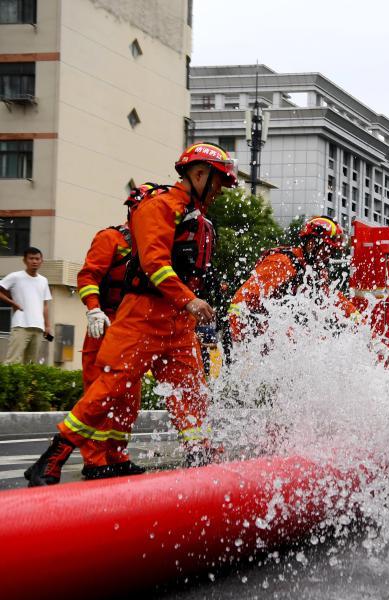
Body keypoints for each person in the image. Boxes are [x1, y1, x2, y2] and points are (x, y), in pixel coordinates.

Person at [23, 143, 237, 486]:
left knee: (191, 391)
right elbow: (154, 264)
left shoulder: (197, 220)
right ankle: (53, 458)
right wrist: (189, 301)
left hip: (177, 322)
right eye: (217, 184)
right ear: (199, 175)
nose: (219, 193)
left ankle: (200, 454)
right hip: (143, 316)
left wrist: (191, 304)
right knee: (108, 389)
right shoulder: (161, 207)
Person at [76, 184, 160, 389]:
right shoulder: (111, 239)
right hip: (106, 321)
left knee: (128, 391)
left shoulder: (157, 247)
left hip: (137, 324)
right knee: (97, 387)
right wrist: (94, 309)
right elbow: (88, 276)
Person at [227, 216, 356, 342]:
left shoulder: (314, 272)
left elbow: (331, 298)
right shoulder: (282, 263)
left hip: (278, 336)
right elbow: (242, 299)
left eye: (332, 252)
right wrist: (240, 341)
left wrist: (359, 321)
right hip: (255, 336)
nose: (328, 257)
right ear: (311, 244)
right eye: (327, 250)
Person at [0, 247, 53, 364]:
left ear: (41, 261)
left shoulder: (43, 280)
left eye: (37, 259)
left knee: (31, 364)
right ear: (24, 260)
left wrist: (47, 325)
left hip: (38, 328)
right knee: (12, 361)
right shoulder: (15, 276)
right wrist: (13, 303)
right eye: (31, 258)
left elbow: (45, 304)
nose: (34, 261)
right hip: (20, 325)